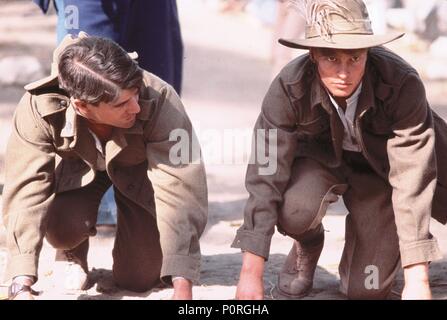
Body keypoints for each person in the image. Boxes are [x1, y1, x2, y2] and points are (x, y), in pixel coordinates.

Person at [232, 0, 447, 300]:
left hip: (382, 175)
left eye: (354, 58)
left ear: (368, 54)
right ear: (313, 55)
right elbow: (264, 177)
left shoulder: (401, 84)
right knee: (294, 209)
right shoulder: (288, 87)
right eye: (331, 58)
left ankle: (381, 255)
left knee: (367, 290)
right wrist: (250, 276)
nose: (343, 72)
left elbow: (412, 180)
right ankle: (307, 242)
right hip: (321, 164)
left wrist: (417, 279)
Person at [2, 33, 207, 300]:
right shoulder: (38, 106)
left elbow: (180, 184)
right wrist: (21, 282)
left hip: (139, 175)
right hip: (79, 171)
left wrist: (182, 283)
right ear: (82, 106)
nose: (135, 107)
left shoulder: (160, 97)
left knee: (140, 278)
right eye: (122, 104)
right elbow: (26, 186)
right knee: (63, 230)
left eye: (134, 94)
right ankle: (71, 250)